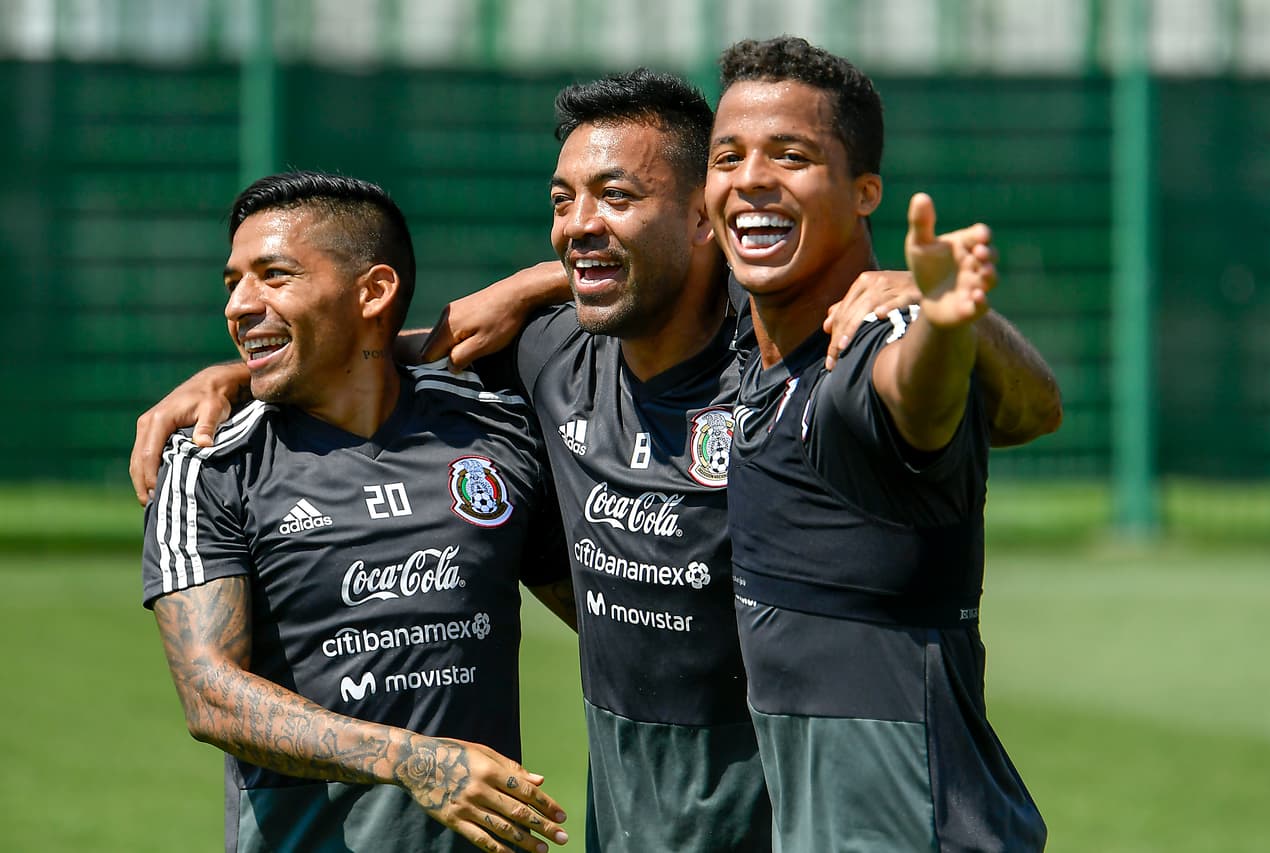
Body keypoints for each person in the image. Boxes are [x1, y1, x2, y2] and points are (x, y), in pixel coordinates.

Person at [132, 71, 1060, 853]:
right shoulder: (545, 359)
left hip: (799, 805)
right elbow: (371, 351)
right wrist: (238, 374)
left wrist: (940, 318)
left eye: (615, 196)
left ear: (705, 219)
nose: (577, 223)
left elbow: (1008, 411)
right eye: (562, 200)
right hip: (628, 818)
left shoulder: (786, 353)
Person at [140, 171, 574, 853]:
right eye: (233, 282)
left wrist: (529, 284)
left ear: (373, 291)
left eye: (273, 275)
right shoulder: (210, 465)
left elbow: (603, 613)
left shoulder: (497, 432)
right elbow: (210, 693)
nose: (241, 305)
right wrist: (416, 760)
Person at [707, 36, 1050, 851]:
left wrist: (946, 326)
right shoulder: (756, 335)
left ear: (865, 193)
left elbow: (914, 399)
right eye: (728, 156)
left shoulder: (872, 338)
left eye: (790, 155)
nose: (752, 176)